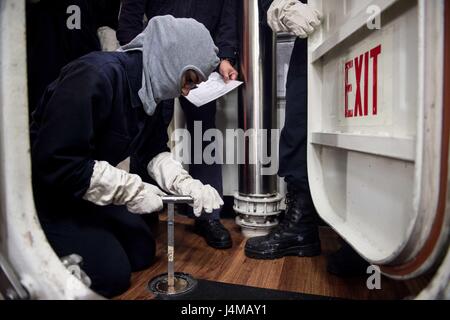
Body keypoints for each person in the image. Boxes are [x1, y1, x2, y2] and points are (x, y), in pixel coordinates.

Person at [30, 16, 223, 298]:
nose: (186, 91)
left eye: (194, 85)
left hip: (84, 190)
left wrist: (186, 185)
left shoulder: (152, 95)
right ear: (171, 57)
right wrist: (130, 190)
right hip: (51, 194)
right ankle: (36, 252)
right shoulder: (94, 75)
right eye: (189, 79)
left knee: (142, 249)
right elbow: (57, 162)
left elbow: (153, 152)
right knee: (110, 275)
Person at [245, 0, 370, 277]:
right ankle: (301, 225)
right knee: (299, 121)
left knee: (364, 126)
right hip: (314, 31)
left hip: (366, 17)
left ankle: (361, 235)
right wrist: (281, 5)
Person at [116, 0, 239, 249]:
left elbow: (228, 18)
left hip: (200, 63)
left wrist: (224, 57)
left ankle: (208, 215)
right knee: (148, 130)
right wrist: (140, 51)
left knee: (204, 135)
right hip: (157, 60)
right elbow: (130, 14)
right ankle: (144, 210)